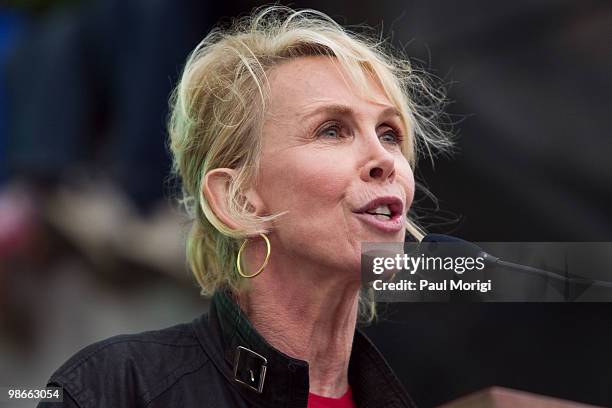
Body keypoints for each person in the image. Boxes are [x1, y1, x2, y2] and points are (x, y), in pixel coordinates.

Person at [39, 6, 450, 407]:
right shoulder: (113, 389)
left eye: (390, 133)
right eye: (332, 130)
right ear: (235, 200)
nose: (384, 160)